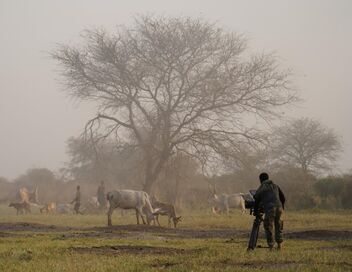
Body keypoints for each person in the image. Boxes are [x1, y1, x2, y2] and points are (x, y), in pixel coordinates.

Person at [254, 172, 285, 250]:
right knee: (279, 226)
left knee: (268, 226)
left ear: (260, 180)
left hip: (270, 208)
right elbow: (283, 198)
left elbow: (256, 200)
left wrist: (256, 212)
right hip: (279, 207)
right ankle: (279, 246)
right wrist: (281, 207)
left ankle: (271, 246)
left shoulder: (262, 187)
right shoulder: (275, 186)